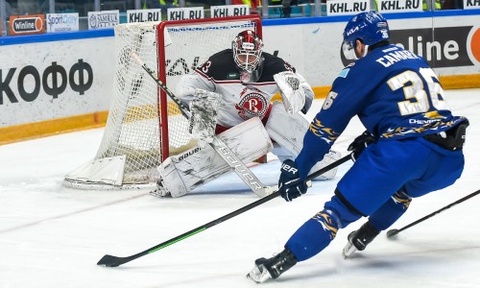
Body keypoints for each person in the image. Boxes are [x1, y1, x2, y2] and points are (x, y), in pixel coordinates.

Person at [247, 11, 469, 283]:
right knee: (401, 191)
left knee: (336, 214)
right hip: (449, 158)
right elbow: (411, 110)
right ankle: (365, 235)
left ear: (360, 44)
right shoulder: (414, 59)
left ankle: (278, 263)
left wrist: (301, 168)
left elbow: (324, 129)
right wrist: (376, 133)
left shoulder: (360, 69)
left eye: (353, 45)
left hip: (402, 154)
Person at [152, 30, 340, 198]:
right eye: (242, 57)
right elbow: (188, 86)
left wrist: (295, 95)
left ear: (260, 54)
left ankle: (311, 160)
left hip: (263, 125)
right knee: (183, 172)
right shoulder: (218, 64)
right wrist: (194, 104)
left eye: (252, 57)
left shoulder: (276, 66)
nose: (247, 62)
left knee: (324, 170)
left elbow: (306, 92)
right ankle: (172, 178)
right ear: (234, 52)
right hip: (226, 128)